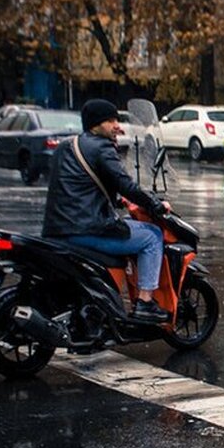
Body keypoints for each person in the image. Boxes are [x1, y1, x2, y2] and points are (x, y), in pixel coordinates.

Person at [42, 99, 173, 324]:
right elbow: (126, 184)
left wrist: (120, 201)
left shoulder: (67, 145)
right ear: (95, 124)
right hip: (87, 230)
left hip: (56, 229)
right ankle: (145, 302)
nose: (118, 126)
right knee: (152, 236)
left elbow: (80, 186)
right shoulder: (102, 147)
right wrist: (155, 204)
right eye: (111, 120)